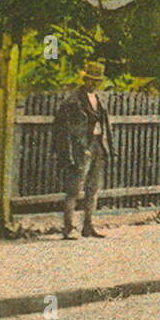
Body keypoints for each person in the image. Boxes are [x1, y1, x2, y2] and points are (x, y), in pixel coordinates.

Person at [53, 61, 113, 239]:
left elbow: (105, 124)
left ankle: (88, 226)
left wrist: (108, 146)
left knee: (93, 189)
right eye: (91, 80)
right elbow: (65, 129)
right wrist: (76, 149)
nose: (94, 84)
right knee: (74, 189)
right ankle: (69, 227)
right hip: (80, 148)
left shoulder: (99, 99)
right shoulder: (73, 100)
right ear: (85, 79)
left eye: (97, 81)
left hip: (97, 145)